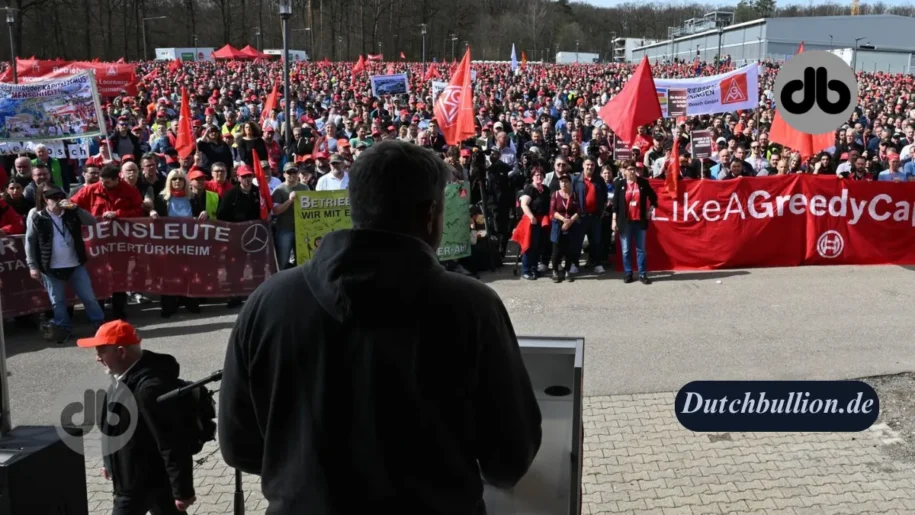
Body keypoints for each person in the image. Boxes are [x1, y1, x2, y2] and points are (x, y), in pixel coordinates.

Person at [219, 140, 542, 514]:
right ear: (432, 214)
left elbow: (240, 446)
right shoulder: (472, 307)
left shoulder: (267, 302)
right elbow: (510, 456)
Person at [76, 320, 196, 515]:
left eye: (101, 350)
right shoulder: (122, 377)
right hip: (141, 477)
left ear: (121, 352)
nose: (97, 358)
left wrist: (183, 491)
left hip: (137, 484)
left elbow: (172, 441)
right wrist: (110, 462)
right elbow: (113, 426)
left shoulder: (149, 389)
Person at [25, 185, 105, 343]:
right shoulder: (38, 217)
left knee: (89, 298)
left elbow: (92, 221)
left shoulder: (71, 213)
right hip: (51, 268)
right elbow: (30, 242)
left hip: (75, 265)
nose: (57, 202)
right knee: (58, 302)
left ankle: (99, 324)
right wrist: (32, 265)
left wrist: (76, 208)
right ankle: (63, 328)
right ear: (45, 200)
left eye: (60, 198)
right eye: (53, 199)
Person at [71, 164, 145, 319]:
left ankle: (119, 312)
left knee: (120, 277)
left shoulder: (130, 191)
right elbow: (73, 204)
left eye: (107, 182)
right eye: (101, 181)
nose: (103, 184)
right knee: (97, 277)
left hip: (120, 244)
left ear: (116, 178)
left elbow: (139, 211)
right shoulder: (91, 189)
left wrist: (118, 213)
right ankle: (99, 313)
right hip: (97, 244)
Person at [612, 160, 658, 285]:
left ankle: (642, 274)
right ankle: (628, 273)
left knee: (641, 249)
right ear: (624, 171)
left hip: (639, 221)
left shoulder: (643, 183)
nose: (631, 171)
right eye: (629, 169)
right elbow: (615, 205)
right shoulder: (619, 184)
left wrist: (650, 209)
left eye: (633, 169)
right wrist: (614, 220)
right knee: (626, 249)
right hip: (625, 222)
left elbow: (654, 197)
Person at [271, 163, 310, 270]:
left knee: (303, 261)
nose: (292, 174)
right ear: (284, 174)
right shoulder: (279, 190)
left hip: (302, 229)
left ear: (298, 174)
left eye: (294, 172)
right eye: (289, 172)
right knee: (283, 261)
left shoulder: (305, 188)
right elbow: (276, 211)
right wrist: (290, 200)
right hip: (285, 229)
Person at [517, 163, 551, 280]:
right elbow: (524, 204)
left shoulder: (546, 189)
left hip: (542, 221)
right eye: (536, 175)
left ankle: (534, 268)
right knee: (529, 246)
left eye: (541, 175)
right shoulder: (530, 189)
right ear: (532, 176)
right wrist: (531, 217)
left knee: (539, 246)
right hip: (531, 221)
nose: (539, 177)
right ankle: (525, 270)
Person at [549, 174, 581, 283]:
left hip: (571, 225)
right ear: (559, 183)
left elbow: (579, 211)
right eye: (562, 181)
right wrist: (564, 220)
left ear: (570, 183)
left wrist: (570, 221)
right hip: (558, 225)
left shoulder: (574, 195)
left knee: (569, 250)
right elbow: (552, 211)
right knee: (556, 250)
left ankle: (567, 271)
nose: (564, 183)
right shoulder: (555, 194)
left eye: (566, 181)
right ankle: (555, 271)